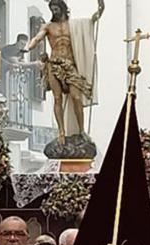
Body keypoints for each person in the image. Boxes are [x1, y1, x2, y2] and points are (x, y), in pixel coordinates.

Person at [24, 0, 105, 145]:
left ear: (62, 9)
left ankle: (81, 131)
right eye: (52, 9)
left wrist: (101, 8)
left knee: (76, 97)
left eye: (56, 9)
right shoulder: (48, 26)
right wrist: (28, 47)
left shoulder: (74, 25)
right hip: (54, 64)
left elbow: (92, 20)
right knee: (57, 98)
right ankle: (61, 131)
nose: (54, 12)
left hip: (69, 65)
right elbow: (38, 37)